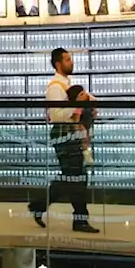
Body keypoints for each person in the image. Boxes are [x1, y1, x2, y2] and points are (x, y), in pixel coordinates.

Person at [28, 48, 98, 233]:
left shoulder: (67, 84)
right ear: (58, 63)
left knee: (74, 177)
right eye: (68, 60)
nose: (71, 62)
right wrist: (78, 105)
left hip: (70, 134)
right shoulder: (55, 87)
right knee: (76, 177)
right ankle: (79, 220)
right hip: (64, 134)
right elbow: (56, 114)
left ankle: (40, 205)